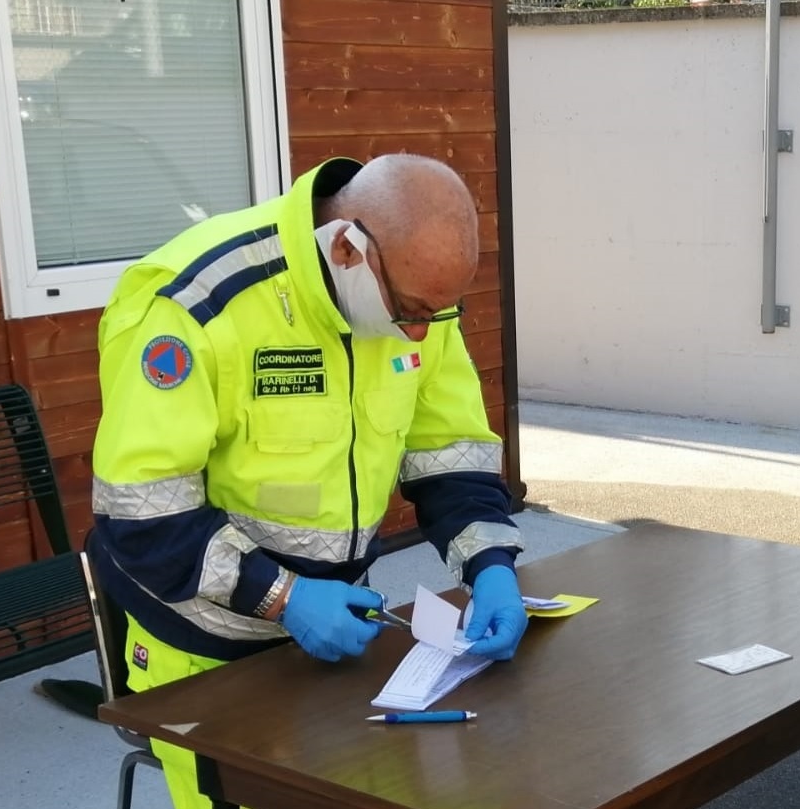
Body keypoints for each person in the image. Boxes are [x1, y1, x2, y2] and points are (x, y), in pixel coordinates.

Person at [88, 153, 528, 809]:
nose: (418, 330)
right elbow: (142, 516)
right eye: (409, 309)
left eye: (435, 314)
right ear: (348, 248)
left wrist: (490, 565)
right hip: (205, 646)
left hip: (337, 629)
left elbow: (447, 449)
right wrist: (282, 597)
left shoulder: (418, 298)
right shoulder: (196, 302)